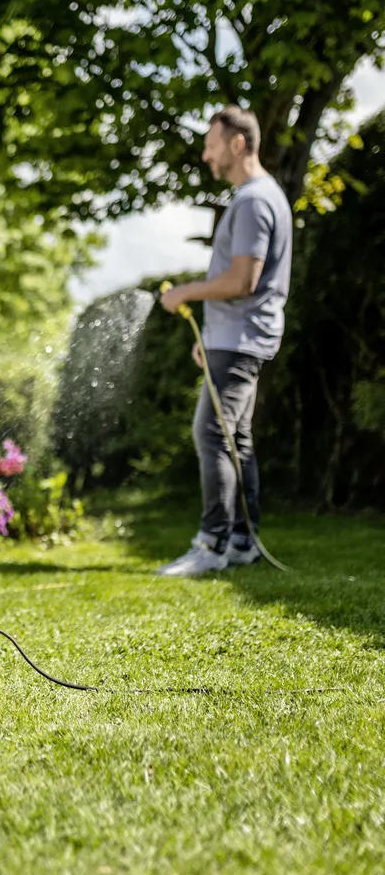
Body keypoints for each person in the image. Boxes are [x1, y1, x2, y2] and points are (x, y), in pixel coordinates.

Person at [156, 105, 293, 578]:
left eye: (211, 145)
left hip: (242, 338)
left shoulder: (254, 201)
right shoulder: (261, 196)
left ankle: (212, 544)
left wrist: (185, 292)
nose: (205, 155)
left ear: (237, 144)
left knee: (212, 433)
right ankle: (241, 541)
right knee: (236, 438)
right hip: (236, 336)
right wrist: (212, 335)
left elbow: (242, 281)